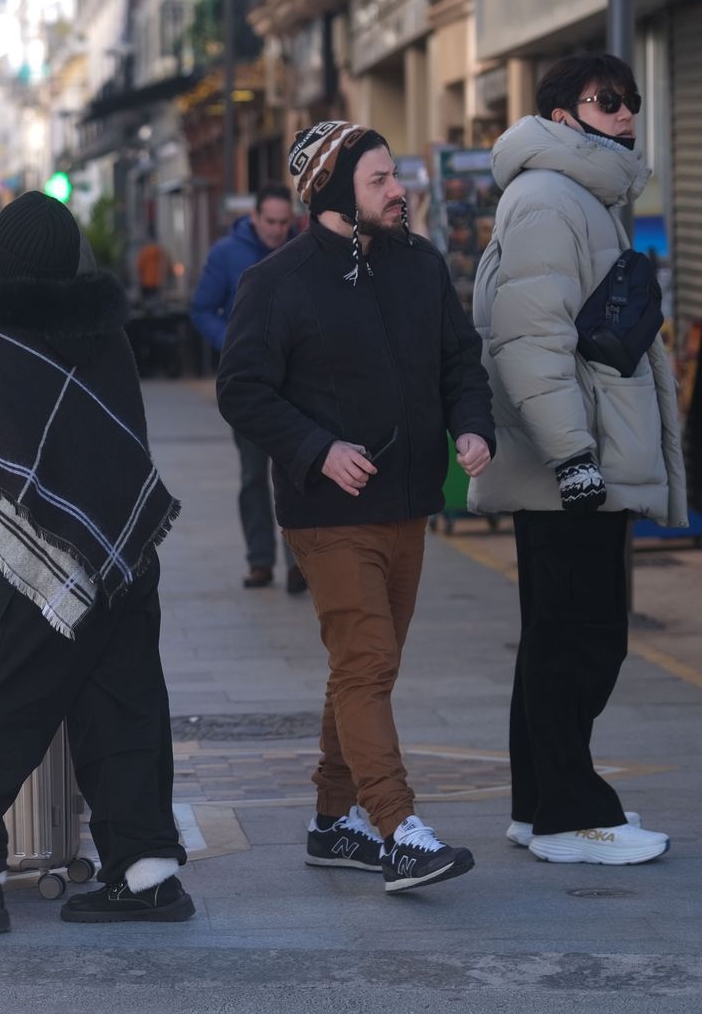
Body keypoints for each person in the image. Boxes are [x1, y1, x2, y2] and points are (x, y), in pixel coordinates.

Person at [0, 192, 190, 935]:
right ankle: (147, 876)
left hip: (23, 576)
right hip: (118, 561)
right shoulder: (109, 337)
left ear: (2, 259)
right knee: (121, 715)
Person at [217, 121, 496, 893]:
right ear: (336, 193)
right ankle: (398, 828)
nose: (398, 190)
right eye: (379, 180)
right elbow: (241, 388)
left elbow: (459, 360)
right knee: (368, 661)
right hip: (327, 513)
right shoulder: (275, 283)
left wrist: (472, 424)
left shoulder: (421, 265)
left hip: (408, 505)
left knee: (364, 669)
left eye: (395, 175)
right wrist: (317, 448)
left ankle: (331, 822)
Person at [469, 54, 685, 865]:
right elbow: (529, 342)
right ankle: (569, 817)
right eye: (607, 101)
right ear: (564, 115)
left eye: (631, 101)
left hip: (579, 462)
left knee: (558, 638)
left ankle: (539, 807)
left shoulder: (579, 198)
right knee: (585, 639)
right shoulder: (551, 201)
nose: (626, 113)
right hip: (574, 469)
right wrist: (574, 456)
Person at [192, 183, 306, 593]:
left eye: (284, 222)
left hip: (297, 382)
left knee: (298, 470)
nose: (277, 230)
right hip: (251, 383)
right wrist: (233, 345)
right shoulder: (226, 254)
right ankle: (259, 561)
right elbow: (202, 309)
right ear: (254, 217)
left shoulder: (304, 249)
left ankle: (299, 563)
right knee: (253, 474)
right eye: (270, 222)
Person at [134, 235, 166, 307]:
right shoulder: (158, 251)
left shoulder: (144, 251)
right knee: (155, 299)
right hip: (156, 280)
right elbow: (164, 264)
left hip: (146, 280)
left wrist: (139, 278)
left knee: (147, 299)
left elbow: (139, 265)